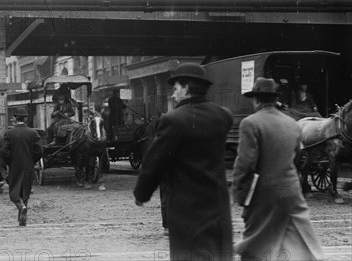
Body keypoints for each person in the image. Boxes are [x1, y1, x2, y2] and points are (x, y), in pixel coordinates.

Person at [133, 63, 233, 260]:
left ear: (186, 88)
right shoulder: (223, 116)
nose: (173, 94)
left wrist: (141, 194)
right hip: (218, 208)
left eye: (176, 88)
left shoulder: (174, 119)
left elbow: (155, 162)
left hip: (188, 212)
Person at [232, 77, 324, 261]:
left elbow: (246, 164)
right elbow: (300, 155)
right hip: (291, 193)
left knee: (255, 245)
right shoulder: (292, 123)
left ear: (256, 100)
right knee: (295, 245)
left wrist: (241, 195)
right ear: (275, 100)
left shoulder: (250, 123)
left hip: (263, 194)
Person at [2, 108, 43, 226]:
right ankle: (22, 219)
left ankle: (21, 207)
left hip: (15, 166)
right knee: (25, 191)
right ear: (25, 119)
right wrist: (31, 160)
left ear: (15, 118)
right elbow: (39, 151)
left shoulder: (9, 133)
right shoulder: (33, 133)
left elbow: (4, 151)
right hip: (28, 166)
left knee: (14, 193)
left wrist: (10, 161)